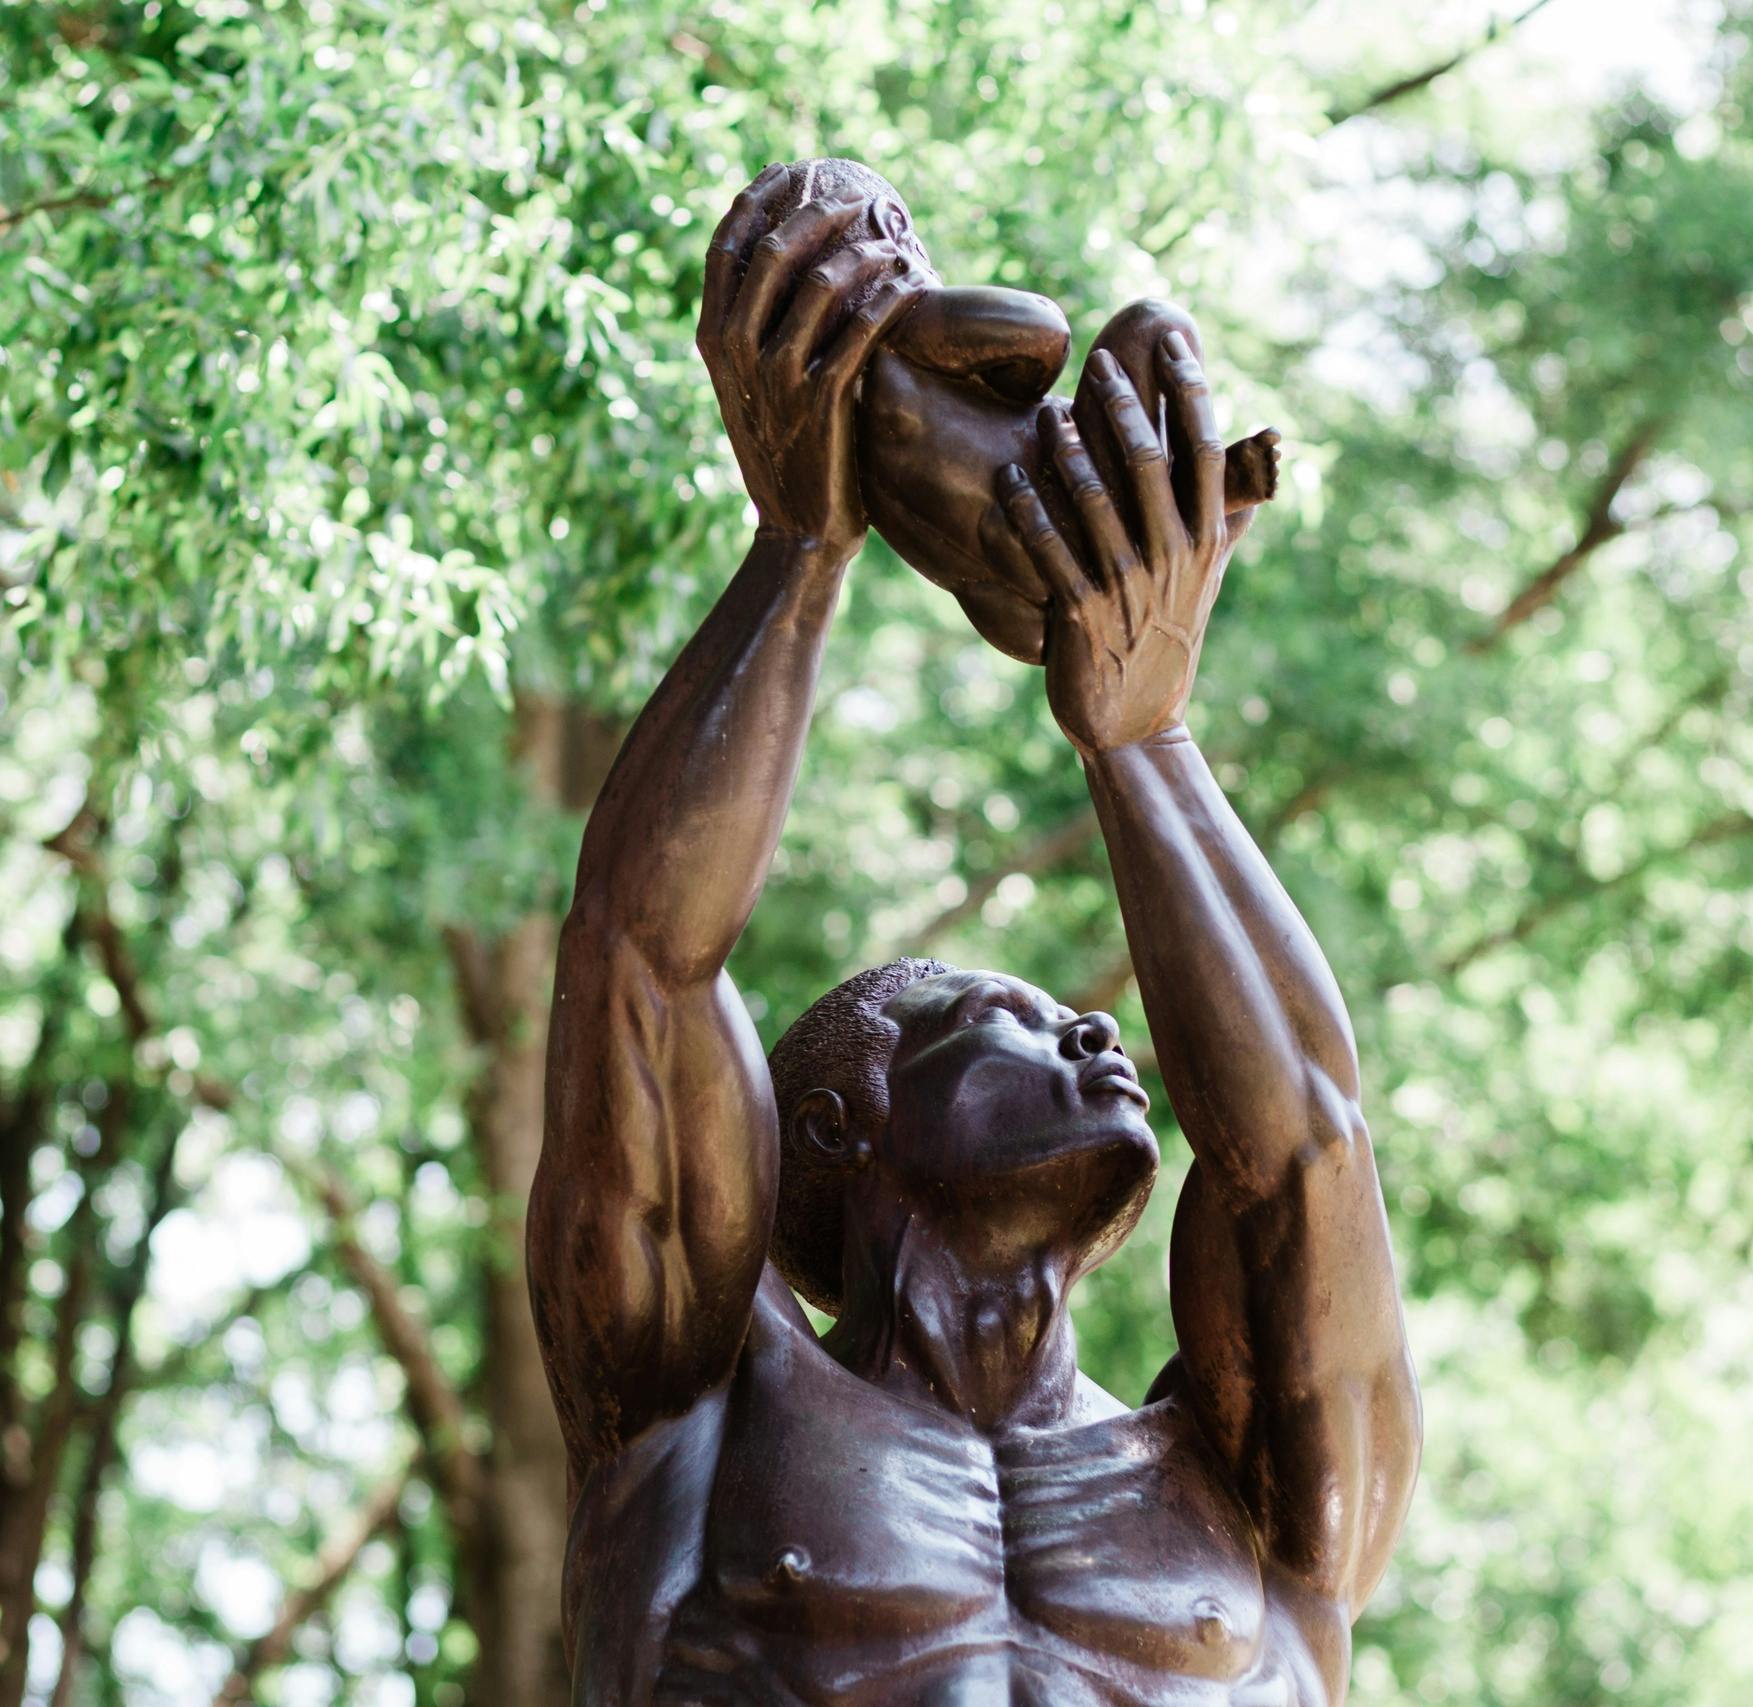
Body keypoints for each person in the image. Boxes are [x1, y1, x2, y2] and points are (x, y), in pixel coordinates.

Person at [527, 162, 1420, 1706]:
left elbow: (1304, 1151)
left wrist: (1142, 738)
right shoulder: (701, 1410)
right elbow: (639, 960)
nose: (1095, 1027)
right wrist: (800, 551)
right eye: (995, 1020)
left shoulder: (1258, 1483)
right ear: (837, 1120)